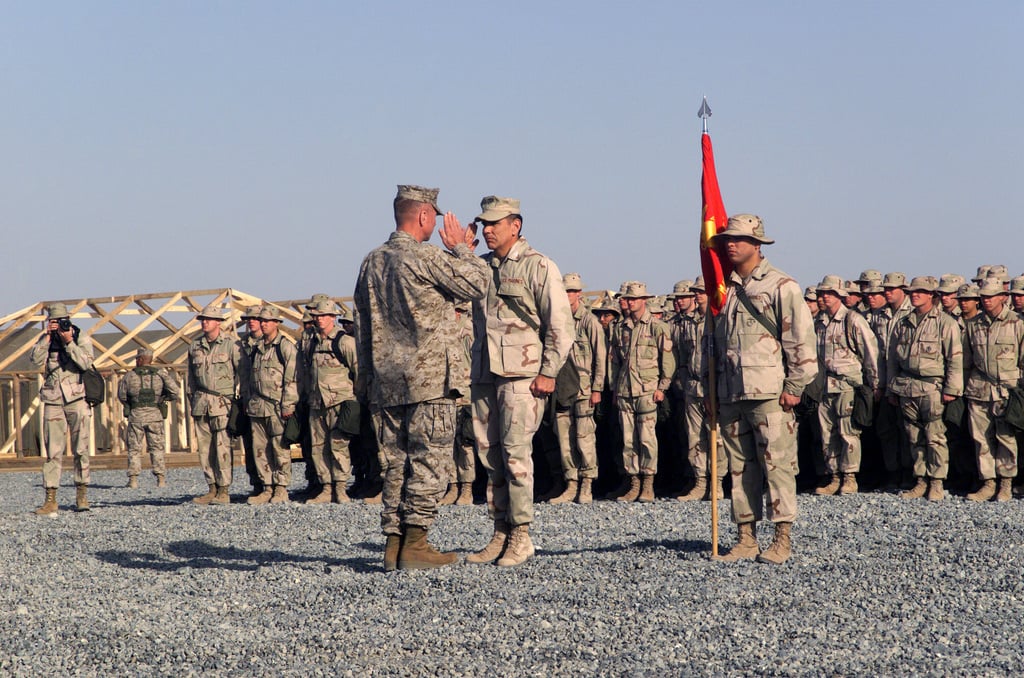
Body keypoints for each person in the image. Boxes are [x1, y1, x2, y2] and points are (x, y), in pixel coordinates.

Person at [353, 185, 488, 571]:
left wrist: (366, 381)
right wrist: (462, 248)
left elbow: (362, 326)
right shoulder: (426, 257)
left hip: (386, 382)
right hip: (429, 382)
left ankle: (393, 546)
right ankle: (416, 543)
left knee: (395, 464)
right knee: (429, 462)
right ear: (425, 216)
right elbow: (477, 283)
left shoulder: (371, 261)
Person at [703, 214, 817, 565]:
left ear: (757, 244)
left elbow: (800, 340)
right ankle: (746, 537)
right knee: (740, 468)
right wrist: (711, 392)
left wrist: (795, 385)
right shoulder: (725, 289)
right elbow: (714, 345)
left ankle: (782, 538)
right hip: (731, 393)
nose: (730, 244)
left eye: (738, 239)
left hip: (769, 393)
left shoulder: (782, 286)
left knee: (777, 466)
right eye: (726, 240)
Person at [466, 195, 573, 568]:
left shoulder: (538, 266)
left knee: (515, 456)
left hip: (522, 375)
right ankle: (500, 530)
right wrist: (460, 257)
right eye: (484, 223)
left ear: (517, 225)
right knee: (490, 457)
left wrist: (548, 371)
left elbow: (560, 324)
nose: (488, 229)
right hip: (484, 374)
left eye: (495, 223)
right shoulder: (479, 268)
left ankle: (522, 536)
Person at [886, 276, 963, 501]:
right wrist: (891, 389)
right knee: (913, 436)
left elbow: (954, 358)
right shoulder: (904, 322)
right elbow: (892, 359)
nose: (915, 294)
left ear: (932, 295)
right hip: (906, 386)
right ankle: (920, 479)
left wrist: (951, 389)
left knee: (935, 436)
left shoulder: (945, 322)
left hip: (933, 387)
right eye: (913, 291)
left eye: (921, 291)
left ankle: (937, 481)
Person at [811, 275, 879, 495]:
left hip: (847, 385)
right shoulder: (819, 323)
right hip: (825, 386)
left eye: (828, 294)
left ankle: (849, 477)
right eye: (821, 294)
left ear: (839, 296)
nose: (822, 298)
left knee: (848, 432)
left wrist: (875, 384)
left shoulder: (853, 320)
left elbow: (870, 353)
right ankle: (834, 476)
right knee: (827, 434)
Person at [608, 281, 675, 503]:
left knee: (647, 439)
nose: (626, 302)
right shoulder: (620, 328)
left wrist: (662, 387)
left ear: (643, 301)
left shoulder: (657, 327)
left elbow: (667, 360)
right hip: (625, 389)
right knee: (628, 440)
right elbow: (615, 361)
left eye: (632, 299)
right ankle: (633, 483)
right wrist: (615, 388)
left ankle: (648, 485)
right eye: (625, 299)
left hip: (647, 391)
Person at [962, 279, 1024, 501]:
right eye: (983, 297)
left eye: (991, 296)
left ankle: (1006, 483)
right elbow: (966, 362)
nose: (986, 300)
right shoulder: (974, 325)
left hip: (1007, 390)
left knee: (1006, 438)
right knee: (981, 439)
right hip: (979, 389)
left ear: (1002, 297)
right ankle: (988, 482)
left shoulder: (1017, 323)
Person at [30, 303, 96, 514]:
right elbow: (34, 360)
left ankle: (82, 493)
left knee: (81, 448)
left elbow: (86, 363)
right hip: (53, 400)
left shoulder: (80, 336)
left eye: (61, 321)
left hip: (76, 398)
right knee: (53, 451)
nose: (58, 325)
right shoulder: (47, 340)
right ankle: (51, 498)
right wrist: (47, 338)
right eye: (54, 322)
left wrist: (69, 342)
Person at [550, 273, 606, 505]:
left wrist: (597, 388)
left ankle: (586, 485)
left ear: (578, 294)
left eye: (570, 291)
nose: (567, 295)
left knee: (584, 439)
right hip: (562, 389)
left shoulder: (589, 322)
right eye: (564, 291)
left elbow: (600, 357)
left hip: (584, 390)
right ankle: (570, 483)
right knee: (564, 440)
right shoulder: (557, 320)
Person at [675, 276, 727, 501]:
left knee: (716, 437)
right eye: (696, 291)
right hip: (693, 386)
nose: (697, 294)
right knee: (695, 437)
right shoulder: (689, 322)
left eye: (702, 291)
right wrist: (686, 379)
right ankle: (700, 481)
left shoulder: (720, 318)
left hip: (715, 387)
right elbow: (683, 356)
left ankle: (717, 483)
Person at [304, 299, 359, 504]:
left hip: (339, 402)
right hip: (316, 402)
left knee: (339, 446)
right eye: (316, 316)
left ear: (332, 317)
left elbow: (358, 371)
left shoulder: (344, 342)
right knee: (319, 448)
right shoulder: (310, 342)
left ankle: (341, 487)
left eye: (322, 316)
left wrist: (354, 400)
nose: (319, 319)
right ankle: (326, 488)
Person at [187, 303, 242, 505]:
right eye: (202, 319)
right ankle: (211, 488)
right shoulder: (195, 346)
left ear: (218, 322)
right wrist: (192, 401)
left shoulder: (231, 345)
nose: (204, 322)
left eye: (208, 319)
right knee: (205, 450)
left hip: (222, 404)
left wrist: (237, 402)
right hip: (201, 404)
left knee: (222, 448)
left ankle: (224, 490)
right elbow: (190, 379)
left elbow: (241, 374)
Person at [243, 305, 298, 504]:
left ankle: (281, 488)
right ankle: (267, 487)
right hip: (257, 406)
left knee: (279, 447)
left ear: (276, 323)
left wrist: (288, 404)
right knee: (260, 449)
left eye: (267, 321)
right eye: (262, 321)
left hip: (276, 406)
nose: (263, 324)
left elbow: (292, 378)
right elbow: (249, 377)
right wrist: (247, 400)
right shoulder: (256, 347)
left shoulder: (284, 346)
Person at [117, 348, 180, 488]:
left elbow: (121, 396)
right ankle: (160, 479)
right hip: (155, 416)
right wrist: (162, 398)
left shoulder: (129, 376)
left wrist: (132, 403)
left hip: (136, 416)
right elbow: (175, 392)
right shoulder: (160, 374)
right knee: (157, 448)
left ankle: (133, 480)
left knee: (134, 449)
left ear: (140, 359)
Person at [438, 301, 476, 506]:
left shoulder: (468, 331)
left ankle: (467, 488)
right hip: (444, 394)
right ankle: (452, 486)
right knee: (447, 442)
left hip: (465, 394)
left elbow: (477, 361)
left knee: (465, 443)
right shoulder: (441, 330)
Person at [238, 305, 265, 497]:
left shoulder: (272, 343)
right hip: (247, 401)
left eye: (255, 318)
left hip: (267, 402)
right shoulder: (240, 345)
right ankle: (257, 483)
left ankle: (273, 485)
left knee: (270, 445)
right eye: (248, 319)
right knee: (250, 445)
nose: (251, 321)